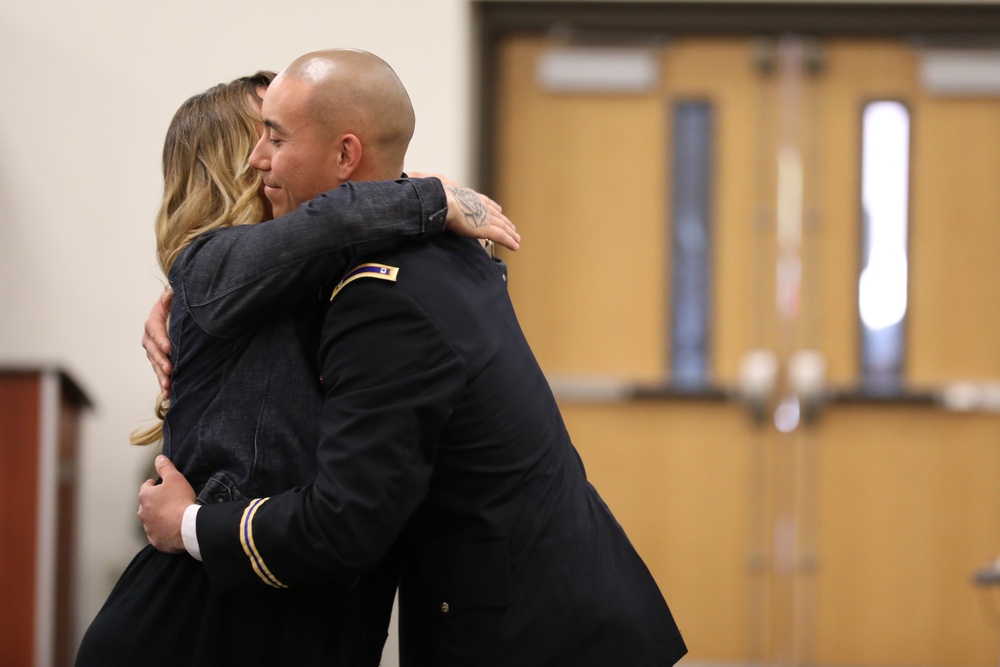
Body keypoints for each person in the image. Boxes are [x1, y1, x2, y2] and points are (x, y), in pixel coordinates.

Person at [140, 48, 687, 666]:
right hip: (540, 609)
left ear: (344, 154)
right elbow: (271, 255)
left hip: (526, 635)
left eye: (274, 138)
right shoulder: (432, 252)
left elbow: (340, 524)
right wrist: (180, 301)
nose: (258, 159)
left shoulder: (380, 296)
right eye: (256, 136)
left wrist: (188, 524)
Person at [76, 69, 517, 667]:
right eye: (271, 137)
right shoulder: (211, 267)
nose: (275, 156)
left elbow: (348, 211)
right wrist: (435, 195)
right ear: (240, 164)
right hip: (202, 617)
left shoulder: (299, 284)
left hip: (284, 609)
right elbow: (336, 219)